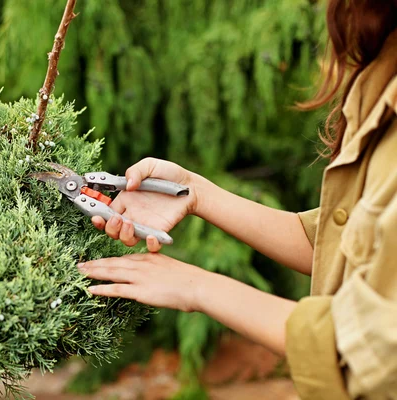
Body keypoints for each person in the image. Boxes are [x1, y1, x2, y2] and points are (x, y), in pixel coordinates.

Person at [76, 1, 397, 399]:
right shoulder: (384, 71)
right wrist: (196, 192)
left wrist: (197, 287)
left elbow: (369, 350)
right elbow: (337, 244)